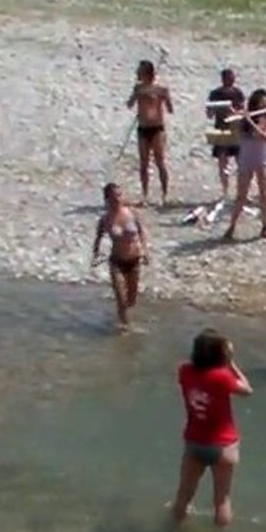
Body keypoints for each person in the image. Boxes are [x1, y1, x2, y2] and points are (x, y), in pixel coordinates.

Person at [172, 329, 253, 528]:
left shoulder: (185, 371)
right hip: (223, 445)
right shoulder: (222, 377)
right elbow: (247, 390)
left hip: (194, 442)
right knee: (222, 500)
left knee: (183, 496)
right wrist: (232, 364)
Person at [91, 182, 149, 332]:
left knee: (132, 298)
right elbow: (98, 238)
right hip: (116, 261)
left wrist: (145, 251)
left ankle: (122, 316)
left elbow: (141, 232)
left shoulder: (132, 213)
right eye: (114, 196)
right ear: (107, 199)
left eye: (119, 195)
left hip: (134, 259)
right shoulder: (105, 219)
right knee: (121, 299)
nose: (117, 199)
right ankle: (125, 327)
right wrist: (95, 255)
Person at [224, 89, 266, 240]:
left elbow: (264, 136)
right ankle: (231, 226)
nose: (265, 104)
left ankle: (265, 226)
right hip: (246, 158)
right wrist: (235, 117)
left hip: (263, 158)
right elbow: (234, 134)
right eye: (262, 102)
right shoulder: (244, 120)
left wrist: (250, 120)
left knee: (265, 195)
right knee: (241, 196)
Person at [126, 59, 173, 206]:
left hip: (156, 128)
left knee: (160, 162)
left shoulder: (160, 89)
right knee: (143, 164)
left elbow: (170, 109)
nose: (137, 74)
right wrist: (137, 96)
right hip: (143, 128)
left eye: (140, 72)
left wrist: (164, 97)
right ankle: (145, 195)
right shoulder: (138, 88)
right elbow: (129, 104)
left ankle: (164, 195)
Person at [207, 68, 246, 201]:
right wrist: (214, 108)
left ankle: (241, 191)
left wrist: (233, 111)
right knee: (222, 162)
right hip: (220, 128)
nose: (230, 80)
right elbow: (209, 114)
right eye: (228, 78)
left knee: (241, 161)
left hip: (235, 128)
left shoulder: (238, 93)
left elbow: (242, 112)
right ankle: (225, 192)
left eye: (231, 78)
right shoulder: (215, 94)